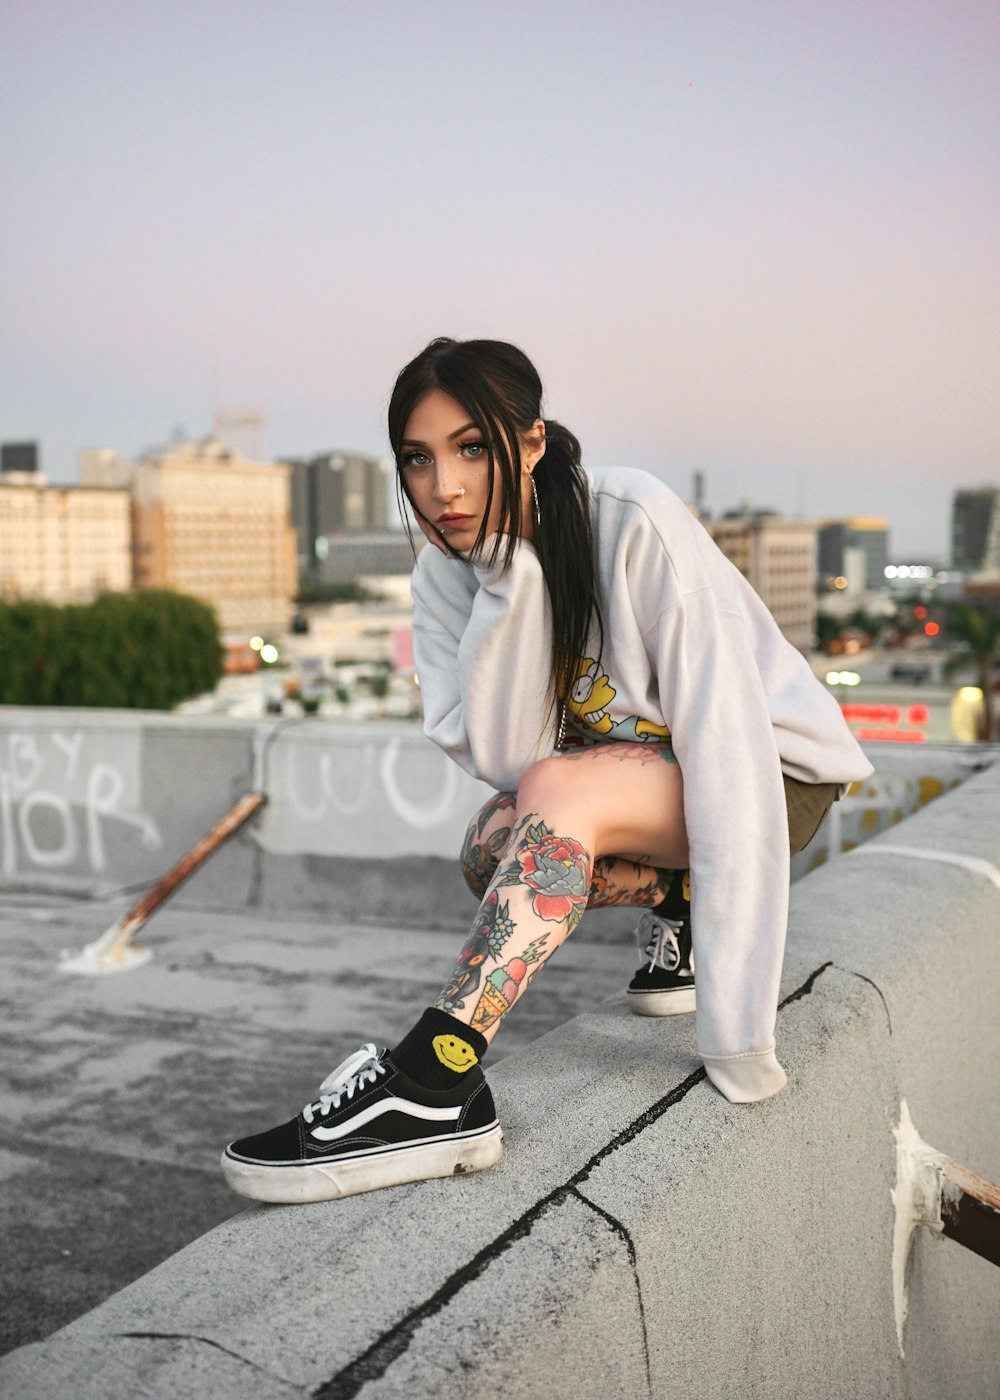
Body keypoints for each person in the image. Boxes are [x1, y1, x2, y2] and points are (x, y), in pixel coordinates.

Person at [221, 337, 873, 1205]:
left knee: (558, 797)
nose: (443, 487)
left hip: (773, 773)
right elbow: (507, 759)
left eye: (473, 448)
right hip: (638, 783)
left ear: (530, 444)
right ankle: (671, 899)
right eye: (417, 459)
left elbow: (726, 746)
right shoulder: (446, 577)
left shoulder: (632, 520)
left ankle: (436, 1075)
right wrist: (508, 580)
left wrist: (735, 1022)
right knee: (490, 847)